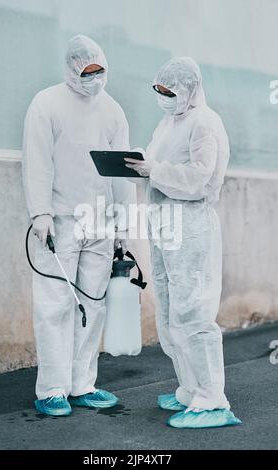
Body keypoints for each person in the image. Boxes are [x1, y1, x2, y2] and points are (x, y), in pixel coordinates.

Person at [22, 34, 136, 417]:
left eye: (99, 70)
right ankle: (52, 388)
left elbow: (122, 170)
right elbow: (37, 161)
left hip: (100, 222)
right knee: (55, 305)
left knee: (93, 303)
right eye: (87, 71)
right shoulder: (47, 103)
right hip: (59, 221)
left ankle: (81, 383)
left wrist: (124, 220)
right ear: (72, 69)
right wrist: (40, 212)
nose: (95, 77)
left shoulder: (113, 111)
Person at [125, 57, 241, 429]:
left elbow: (198, 178)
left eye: (170, 91)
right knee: (170, 309)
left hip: (190, 227)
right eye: (159, 90)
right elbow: (157, 163)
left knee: (193, 311)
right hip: (164, 225)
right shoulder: (168, 122)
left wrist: (154, 170)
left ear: (189, 89)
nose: (163, 97)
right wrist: (141, 166)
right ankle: (190, 388)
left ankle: (212, 400)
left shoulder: (205, 122)